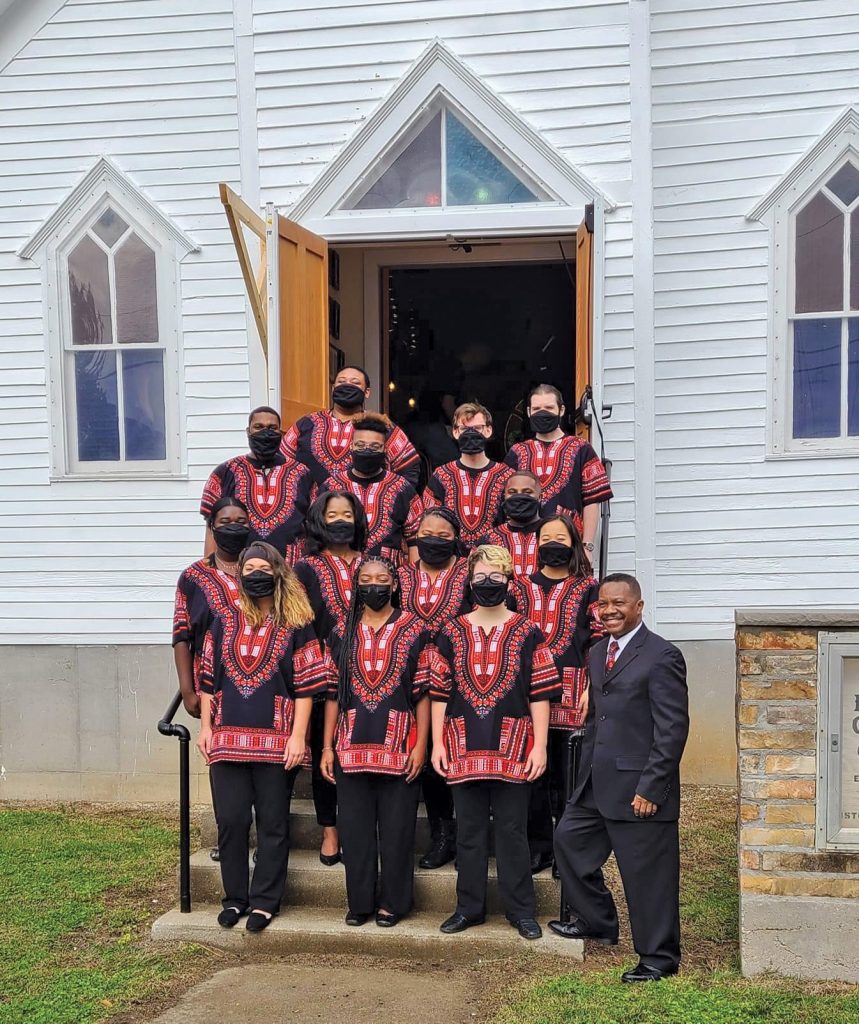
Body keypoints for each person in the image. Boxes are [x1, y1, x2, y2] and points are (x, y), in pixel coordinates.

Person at [550, 573, 689, 983]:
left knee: (648, 877)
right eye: (603, 604)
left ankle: (659, 958)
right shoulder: (597, 652)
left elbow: (672, 729)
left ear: (639, 606)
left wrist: (652, 787)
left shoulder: (662, 656)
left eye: (619, 603)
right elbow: (598, 716)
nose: (609, 610)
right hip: (596, 782)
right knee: (569, 841)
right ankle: (597, 921)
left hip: (639, 788)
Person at [196, 542, 328, 933]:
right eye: (248, 567)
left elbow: (306, 688)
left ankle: (265, 901)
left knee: (272, 823)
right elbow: (207, 680)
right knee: (232, 821)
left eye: (263, 568)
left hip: (277, 739)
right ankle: (235, 898)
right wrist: (206, 727)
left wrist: (298, 738)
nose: (255, 573)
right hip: (226, 740)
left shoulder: (297, 625)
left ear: (278, 574)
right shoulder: (224, 620)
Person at [430, 545, 560, 941]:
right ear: (469, 581)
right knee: (468, 832)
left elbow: (539, 692)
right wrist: (437, 743)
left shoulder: (527, 631)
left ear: (509, 580)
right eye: (481, 577)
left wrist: (539, 746)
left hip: (514, 746)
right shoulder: (450, 631)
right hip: (463, 744)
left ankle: (521, 911)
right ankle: (468, 908)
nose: (488, 584)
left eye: (496, 577)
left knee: (512, 830)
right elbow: (438, 692)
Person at [320, 556, 433, 928]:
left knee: (398, 829)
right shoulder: (341, 631)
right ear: (356, 586)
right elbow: (333, 693)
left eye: (381, 578)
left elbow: (423, 694)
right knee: (354, 828)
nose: (373, 585)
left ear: (396, 585)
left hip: (399, 744)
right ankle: (361, 901)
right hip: (351, 744)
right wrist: (327, 746)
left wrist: (421, 746)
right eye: (365, 579)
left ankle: (394, 903)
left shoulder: (415, 629)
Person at [509, 515, 603, 874]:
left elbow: (599, 639)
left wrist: (591, 687)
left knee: (569, 780)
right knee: (532, 778)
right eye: (545, 537)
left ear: (574, 543)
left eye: (559, 537)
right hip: (526, 696)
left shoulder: (587, 588)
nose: (552, 543)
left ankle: (566, 850)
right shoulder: (519, 588)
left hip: (571, 693)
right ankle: (539, 847)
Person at [293, 490, 369, 868]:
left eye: (347, 513)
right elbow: (298, 621)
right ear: (320, 520)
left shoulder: (375, 563)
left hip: (372, 671)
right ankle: (329, 829)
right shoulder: (305, 569)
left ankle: (360, 826)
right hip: (324, 674)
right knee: (327, 752)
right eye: (332, 513)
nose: (340, 520)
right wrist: (318, 662)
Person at [173, 496, 249, 861]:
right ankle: (229, 835)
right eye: (225, 520)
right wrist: (188, 690)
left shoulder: (264, 570)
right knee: (222, 760)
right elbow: (181, 635)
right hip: (213, 683)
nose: (233, 526)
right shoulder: (193, 577)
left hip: (263, 684)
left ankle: (267, 839)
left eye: (240, 519)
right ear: (213, 527)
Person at [399, 508, 471, 869]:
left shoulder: (469, 573)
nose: (434, 540)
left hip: (463, 676)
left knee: (461, 750)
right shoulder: (401, 576)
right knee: (427, 758)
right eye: (427, 533)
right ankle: (442, 836)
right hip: (413, 681)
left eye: (443, 535)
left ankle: (468, 837)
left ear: (456, 537)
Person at [504, 384, 612, 563]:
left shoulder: (581, 448)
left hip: (569, 544)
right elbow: (506, 499)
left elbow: (593, 500)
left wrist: (587, 546)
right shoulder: (517, 452)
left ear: (561, 410)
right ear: (529, 412)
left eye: (548, 408)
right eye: (537, 408)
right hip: (526, 546)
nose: (542, 413)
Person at [200, 406, 314, 564]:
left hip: (291, 571)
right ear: (248, 432)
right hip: (241, 568)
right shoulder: (225, 472)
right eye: (258, 427)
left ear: (280, 433)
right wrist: (210, 568)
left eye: (272, 428)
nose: (265, 433)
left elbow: (315, 523)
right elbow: (211, 526)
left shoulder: (302, 473)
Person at [281, 365, 420, 486]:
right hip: (312, 511)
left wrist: (393, 500)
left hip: (365, 512)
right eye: (341, 382)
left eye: (355, 383)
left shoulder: (382, 426)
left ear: (367, 392)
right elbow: (282, 462)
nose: (347, 385)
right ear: (333, 388)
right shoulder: (307, 424)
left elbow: (408, 466)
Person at [320, 413, 421, 563]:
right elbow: (316, 534)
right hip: (339, 570)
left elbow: (415, 538)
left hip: (388, 577)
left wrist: (413, 579)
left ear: (385, 450)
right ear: (351, 446)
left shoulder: (402, 488)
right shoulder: (331, 486)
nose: (367, 450)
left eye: (375, 447)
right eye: (360, 445)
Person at [423, 402, 514, 550]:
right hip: (452, 562)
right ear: (455, 432)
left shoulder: (507, 476)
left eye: (477, 428)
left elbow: (512, 523)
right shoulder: (441, 475)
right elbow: (430, 521)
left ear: (488, 430)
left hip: (493, 562)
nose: (471, 433)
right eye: (464, 429)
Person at [481, 471, 543, 577]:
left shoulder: (552, 534)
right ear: (505, 496)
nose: (519, 496)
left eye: (527, 492)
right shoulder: (490, 539)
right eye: (512, 492)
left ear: (540, 497)